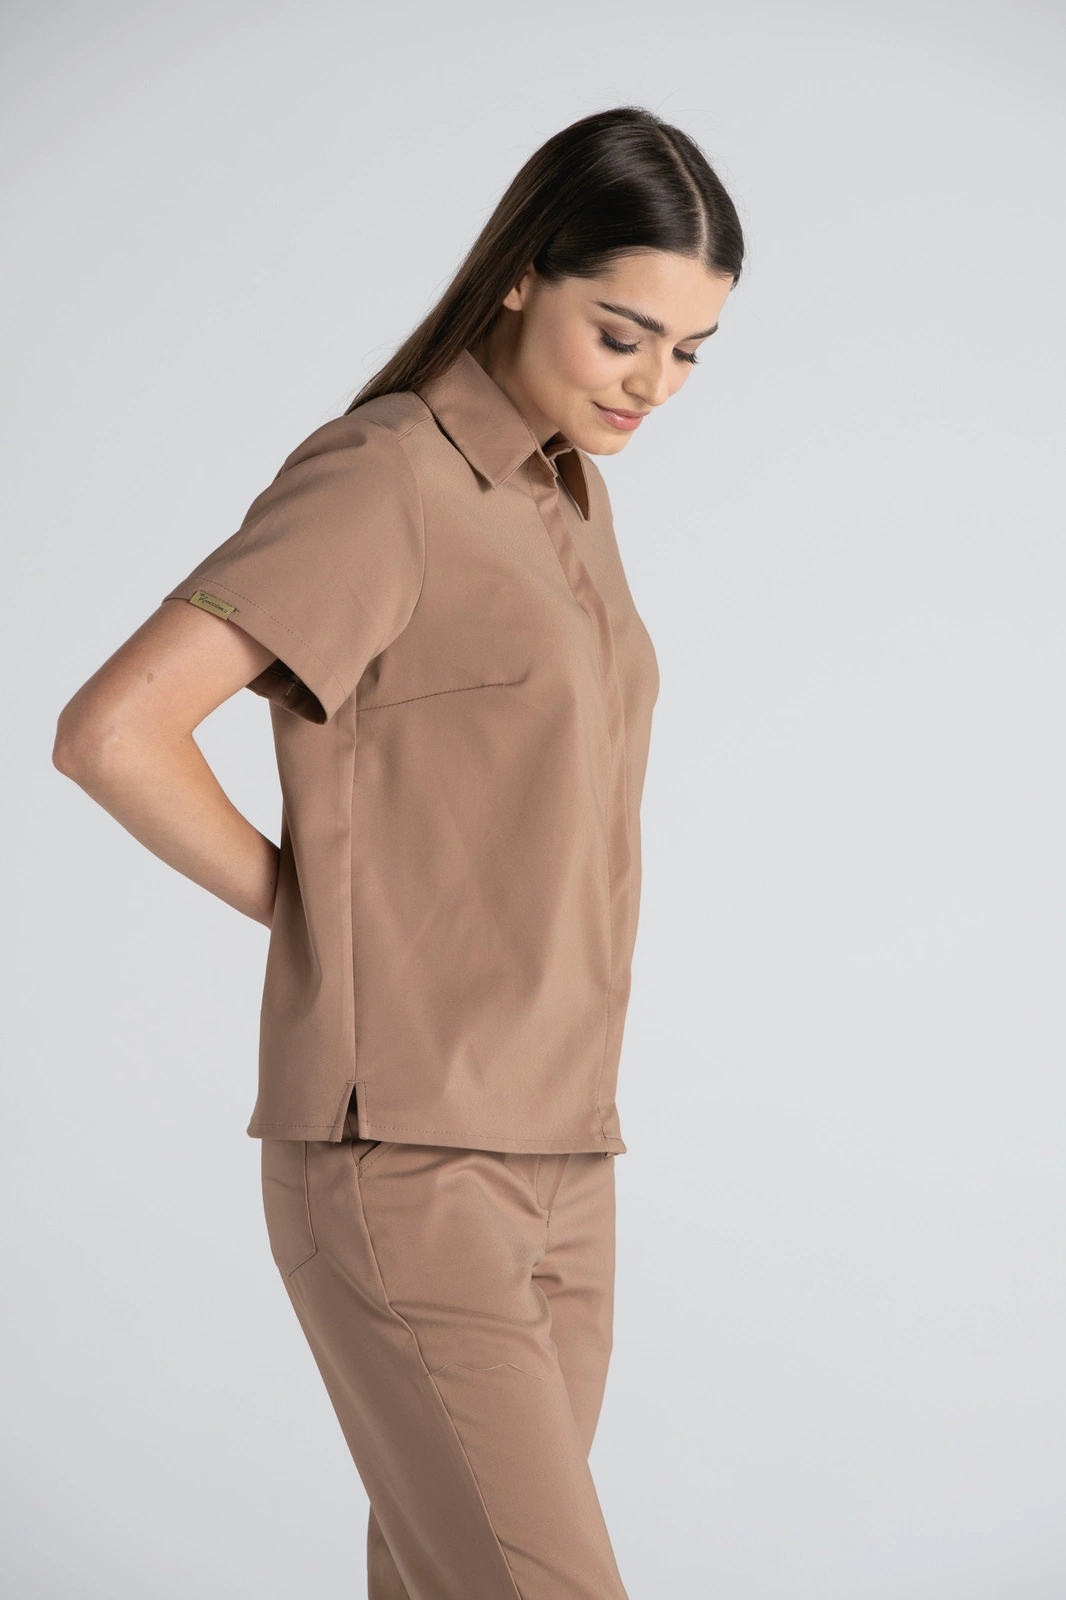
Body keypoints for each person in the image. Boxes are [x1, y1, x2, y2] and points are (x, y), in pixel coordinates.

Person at [53, 104, 744, 1600]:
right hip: (410, 1158)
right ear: (520, 274)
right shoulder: (385, 477)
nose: (653, 384)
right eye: (622, 334)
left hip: (567, 1149)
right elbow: (114, 732)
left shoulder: (570, 496)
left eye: (690, 352)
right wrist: (319, 917)